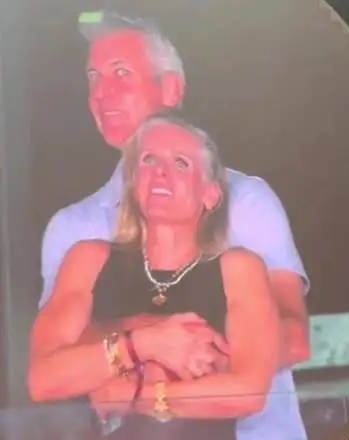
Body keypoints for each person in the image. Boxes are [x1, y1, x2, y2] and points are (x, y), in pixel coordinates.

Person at [37, 11, 309, 439]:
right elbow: (53, 364)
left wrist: (158, 374)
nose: (102, 92)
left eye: (121, 73)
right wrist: (152, 335)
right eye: (93, 77)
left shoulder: (247, 199)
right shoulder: (73, 230)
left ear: (171, 89)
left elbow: (293, 337)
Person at [29, 114, 282, 439]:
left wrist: (138, 395)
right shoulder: (88, 260)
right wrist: (145, 343)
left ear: (211, 194)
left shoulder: (238, 269)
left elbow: (249, 392)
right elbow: (43, 380)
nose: (160, 171)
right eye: (149, 159)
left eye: (180, 163)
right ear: (133, 183)